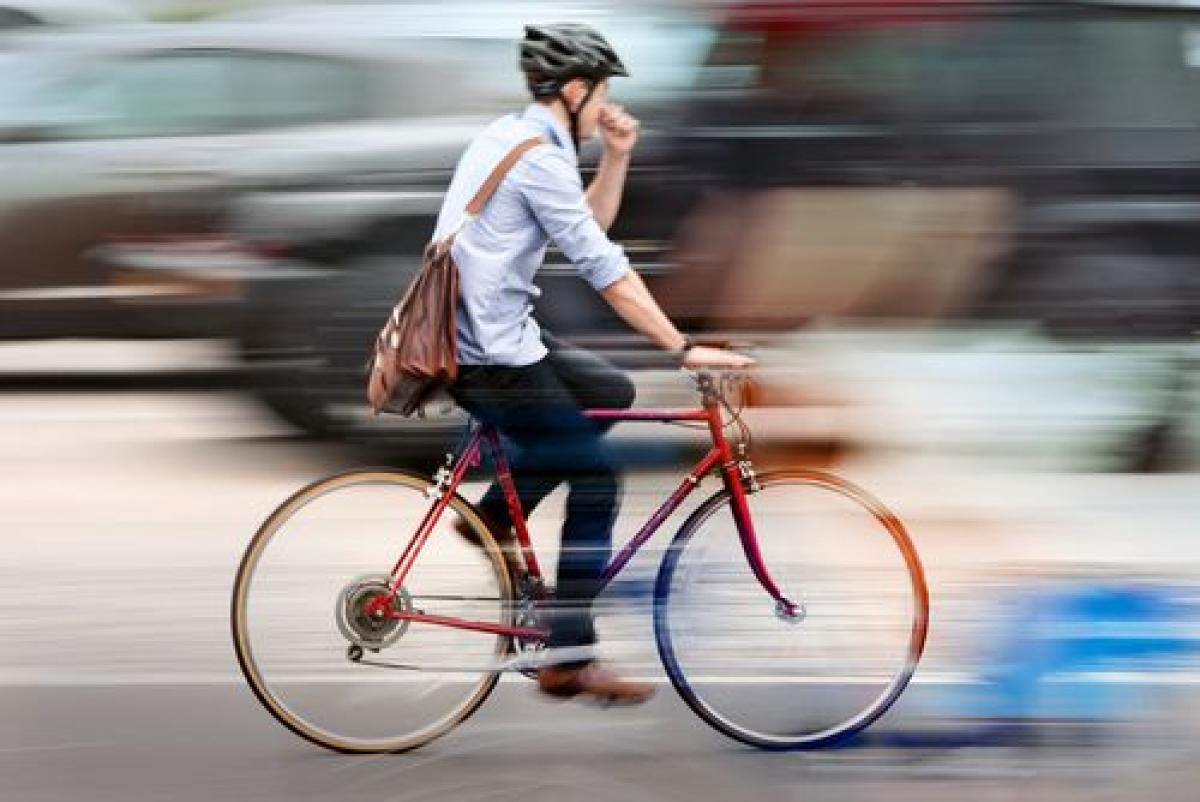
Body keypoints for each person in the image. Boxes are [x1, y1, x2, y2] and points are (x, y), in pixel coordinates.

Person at [437, 23, 754, 705]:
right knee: (597, 478)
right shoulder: (536, 157)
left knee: (611, 388)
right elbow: (604, 269)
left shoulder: (518, 138)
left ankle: (493, 516)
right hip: (487, 355)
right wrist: (682, 346)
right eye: (603, 92)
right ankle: (570, 657)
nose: (606, 103)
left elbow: (584, 228)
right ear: (576, 90)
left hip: (497, 336)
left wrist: (616, 156)